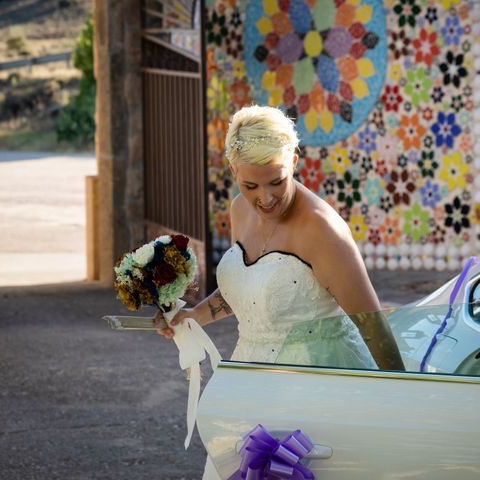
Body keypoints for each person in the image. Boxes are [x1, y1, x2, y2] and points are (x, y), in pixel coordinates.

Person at [156, 105, 404, 477]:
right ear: (233, 172)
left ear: (294, 160)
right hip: (249, 383)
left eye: (277, 181)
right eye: (250, 185)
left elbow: (371, 325)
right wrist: (193, 316)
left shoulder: (323, 231)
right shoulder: (240, 211)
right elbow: (248, 293)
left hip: (317, 391)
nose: (266, 198)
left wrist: (404, 406)